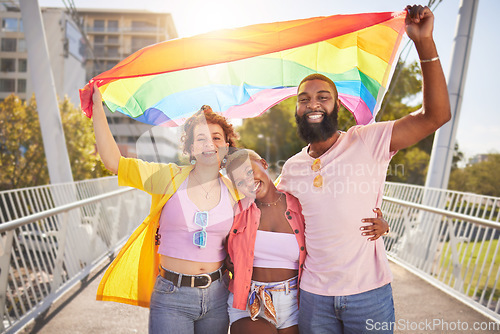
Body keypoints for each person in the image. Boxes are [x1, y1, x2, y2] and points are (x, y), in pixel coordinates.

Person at [277, 5, 451, 334]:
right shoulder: (291, 168)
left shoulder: (368, 140)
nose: (313, 103)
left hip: (369, 294)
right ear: (297, 109)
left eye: (322, 96)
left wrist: (424, 42)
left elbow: (435, 115)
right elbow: (267, 213)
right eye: (303, 99)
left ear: (336, 105)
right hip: (314, 295)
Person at [91, 85, 242, 334]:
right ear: (191, 148)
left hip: (218, 296)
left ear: (226, 146)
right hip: (172, 296)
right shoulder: (167, 177)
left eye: (216, 138)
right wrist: (98, 107)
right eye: (201, 138)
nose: (209, 143)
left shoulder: (236, 191)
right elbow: (114, 163)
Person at [226, 149, 391, 334]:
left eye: (250, 172)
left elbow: (337, 220)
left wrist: (383, 225)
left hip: (294, 303)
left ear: (264, 164)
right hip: (250, 300)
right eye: (240, 181)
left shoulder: (300, 204)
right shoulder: (236, 212)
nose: (248, 182)